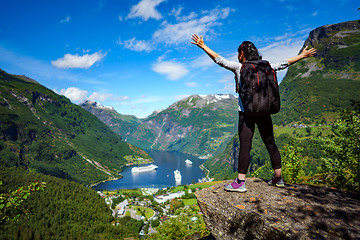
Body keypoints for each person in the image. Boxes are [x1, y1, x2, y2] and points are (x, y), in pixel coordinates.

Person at [191, 34, 316, 192]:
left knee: (245, 147)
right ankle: (278, 178)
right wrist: (303, 56)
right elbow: (285, 63)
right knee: (271, 144)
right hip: (265, 112)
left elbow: (219, 60)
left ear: (241, 54)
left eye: (238, 54)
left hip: (246, 114)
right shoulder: (268, 65)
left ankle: (240, 182)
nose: (237, 57)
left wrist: (203, 46)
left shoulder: (240, 68)